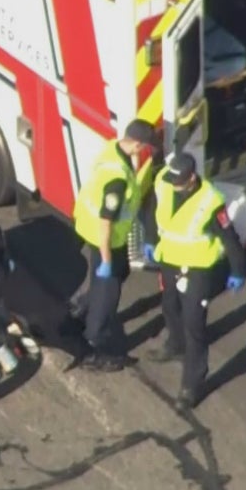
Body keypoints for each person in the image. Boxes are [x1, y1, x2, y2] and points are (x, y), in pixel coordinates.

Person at [143, 152, 246, 410]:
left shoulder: (210, 202)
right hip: (168, 260)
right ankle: (174, 344)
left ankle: (192, 384)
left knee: (194, 325)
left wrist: (238, 270)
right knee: (169, 306)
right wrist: (149, 238)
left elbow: (229, 239)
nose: (172, 184)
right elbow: (151, 209)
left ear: (191, 179)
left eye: (178, 181)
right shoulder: (165, 182)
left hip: (197, 269)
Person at [69, 118, 160, 372]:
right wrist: (107, 259)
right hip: (103, 238)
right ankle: (92, 345)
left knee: (120, 272)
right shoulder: (117, 179)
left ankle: (81, 307)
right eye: (145, 147)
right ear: (137, 144)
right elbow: (106, 223)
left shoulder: (113, 149)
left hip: (103, 234)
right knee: (107, 294)